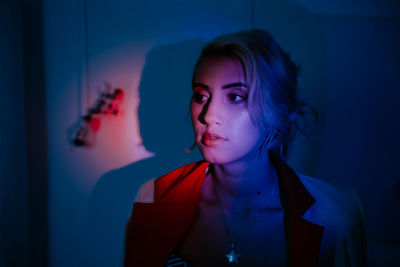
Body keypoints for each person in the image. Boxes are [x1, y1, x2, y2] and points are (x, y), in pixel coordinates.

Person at [124, 29, 372, 266]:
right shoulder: (153, 197)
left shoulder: (337, 214)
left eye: (234, 97)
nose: (209, 116)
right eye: (201, 96)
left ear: (278, 111)